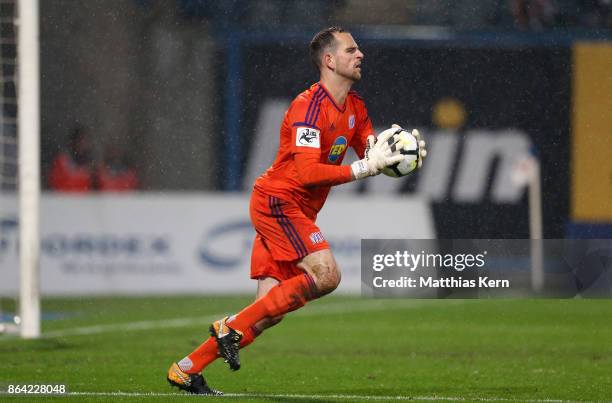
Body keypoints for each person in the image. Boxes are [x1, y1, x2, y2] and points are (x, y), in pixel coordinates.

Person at [167, 26, 427, 395]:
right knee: (327, 275)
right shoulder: (309, 107)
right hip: (278, 202)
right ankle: (228, 326)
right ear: (329, 60)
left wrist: (392, 151)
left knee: (267, 314)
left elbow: (370, 150)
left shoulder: (355, 108)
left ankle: (187, 368)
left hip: (298, 210)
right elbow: (307, 173)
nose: (360, 55)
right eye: (351, 50)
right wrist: (362, 169)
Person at [48, 126, 95, 192]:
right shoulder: (62, 160)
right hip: (63, 200)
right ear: (74, 141)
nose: (83, 144)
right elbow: (59, 184)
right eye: (80, 140)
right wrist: (85, 174)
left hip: (84, 201)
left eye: (86, 141)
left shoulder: (89, 162)